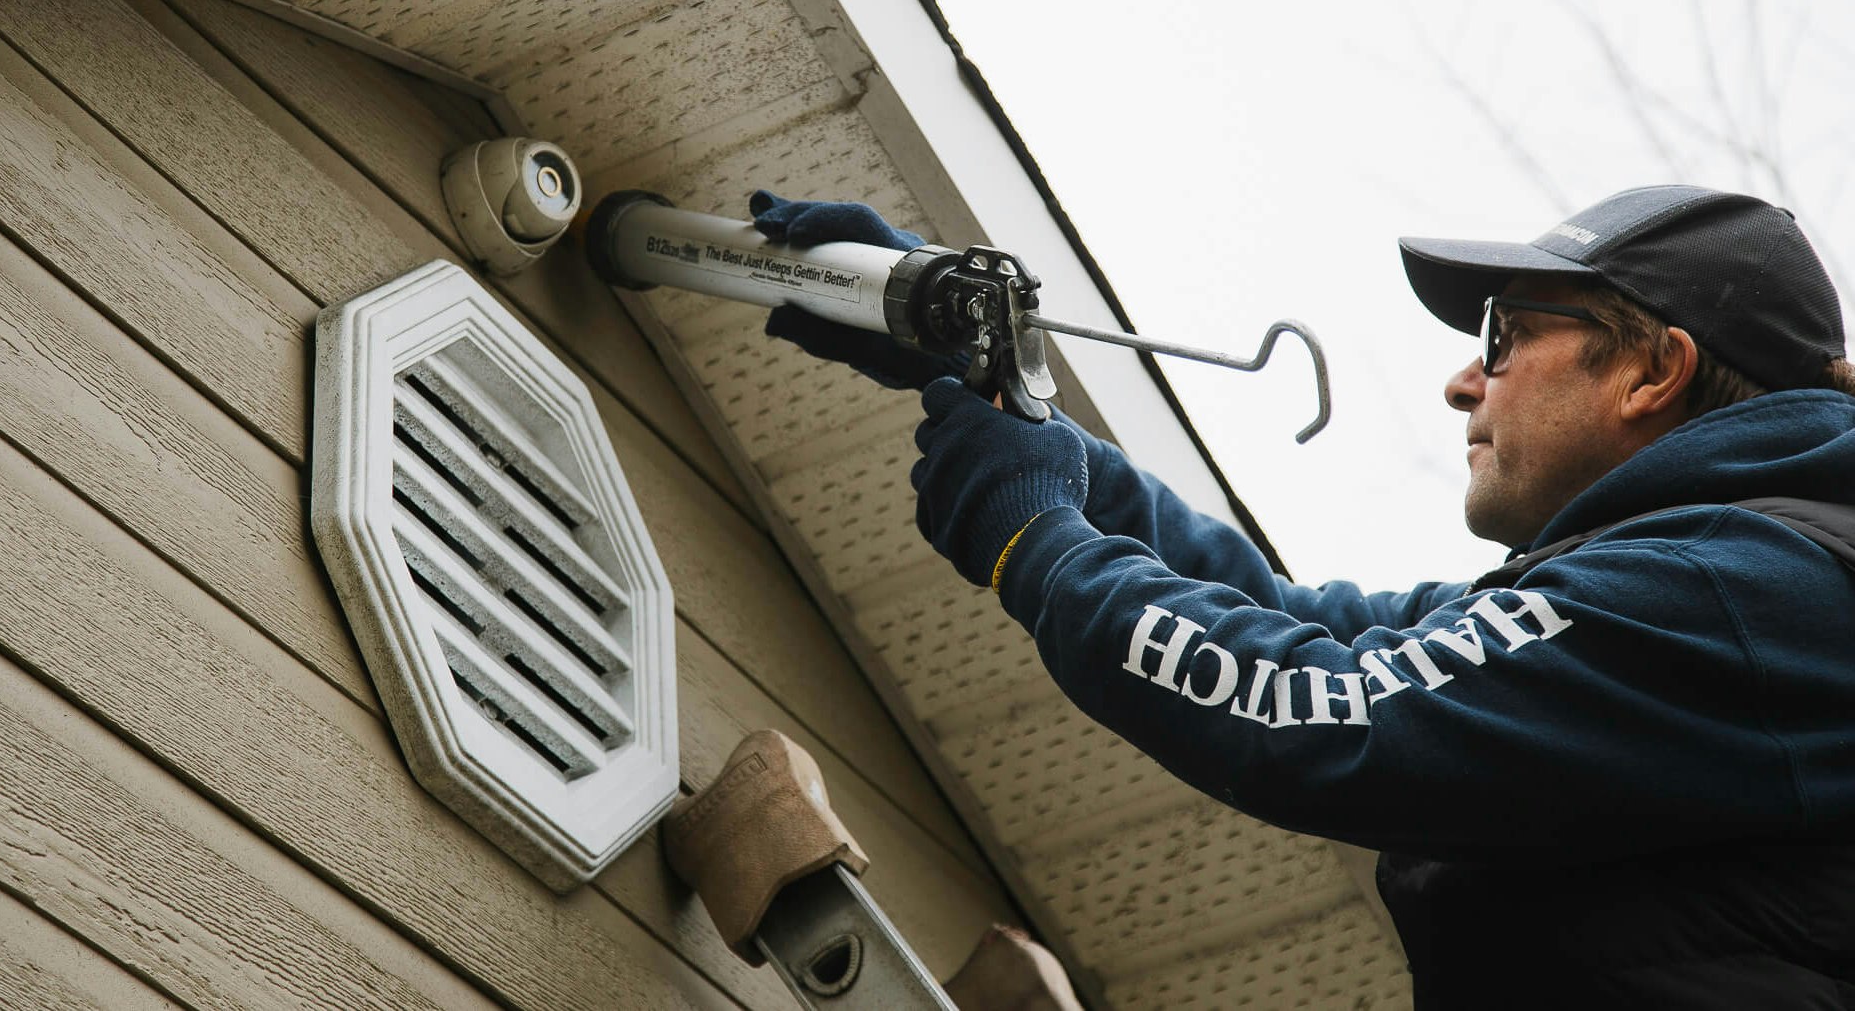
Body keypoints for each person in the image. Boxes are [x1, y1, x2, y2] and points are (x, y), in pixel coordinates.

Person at [750, 185, 1855, 1008]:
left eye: (1506, 336)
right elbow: (1296, 619)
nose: (1464, 380)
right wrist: (999, 385)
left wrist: (1036, 540)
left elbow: (1319, 709)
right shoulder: (1701, 578)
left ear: (1652, 371)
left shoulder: (1737, 593)